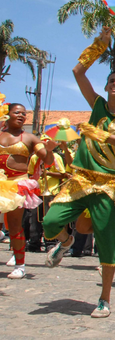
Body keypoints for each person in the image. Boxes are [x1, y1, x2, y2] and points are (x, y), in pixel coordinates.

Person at [42, 26, 115, 318]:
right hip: (82, 179)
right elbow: (77, 73)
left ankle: (105, 299)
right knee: (50, 221)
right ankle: (66, 240)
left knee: (108, 245)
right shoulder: (97, 104)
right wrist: (99, 44)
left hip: (109, 184)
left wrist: (98, 135)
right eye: (112, 80)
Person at [0, 102, 50, 279]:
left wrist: (49, 150)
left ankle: (20, 265)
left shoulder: (30, 138)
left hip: (17, 184)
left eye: (24, 114)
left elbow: (47, 158)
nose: (21, 116)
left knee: (15, 225)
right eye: (17, 112)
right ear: (8, 114)